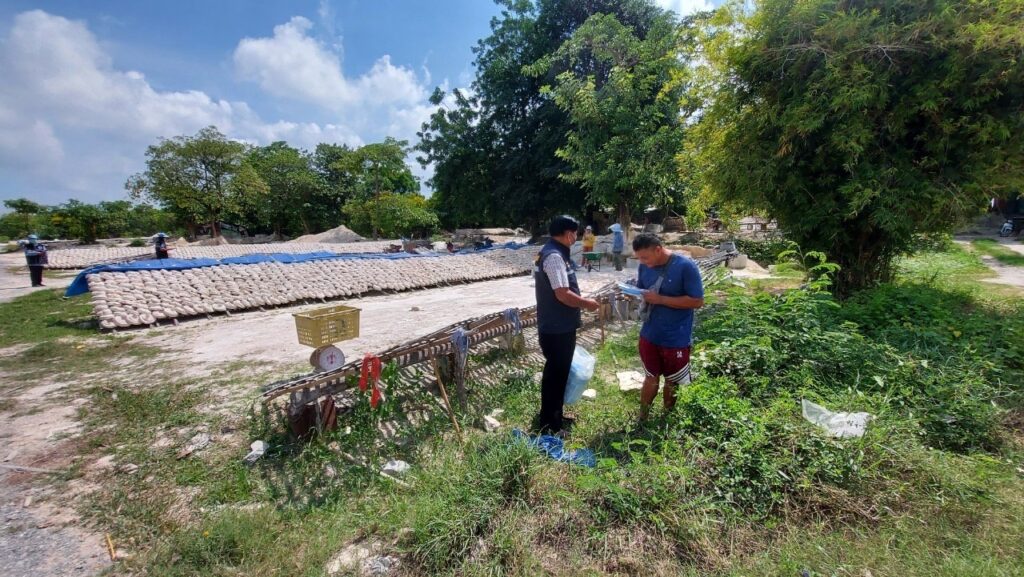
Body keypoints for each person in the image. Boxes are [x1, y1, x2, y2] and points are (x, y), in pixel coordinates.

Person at [534, 215, 601, 435]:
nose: (576, 238)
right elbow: (562, 294)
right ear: (567, 233)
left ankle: (555, 416)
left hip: (556, 324)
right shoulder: (554, 256)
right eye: (575, 233)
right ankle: (550, 426)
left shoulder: (551, 252)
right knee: (555, 376)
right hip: (557, 328)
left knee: (559, 374)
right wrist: (587, 304)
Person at [632, 233, 704, 420]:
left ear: (658, 250)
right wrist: (633, 293)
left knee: (672, 380)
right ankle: (642, 418)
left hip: (675, 337)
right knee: (650, 376)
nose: (642, 262)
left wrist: (661, 299)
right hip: (649, 334)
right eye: (639, 258)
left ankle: (666, 418)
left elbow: (697, 301)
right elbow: (642, 289)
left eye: (645, 257)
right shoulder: (644, 266)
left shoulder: (685, 267)